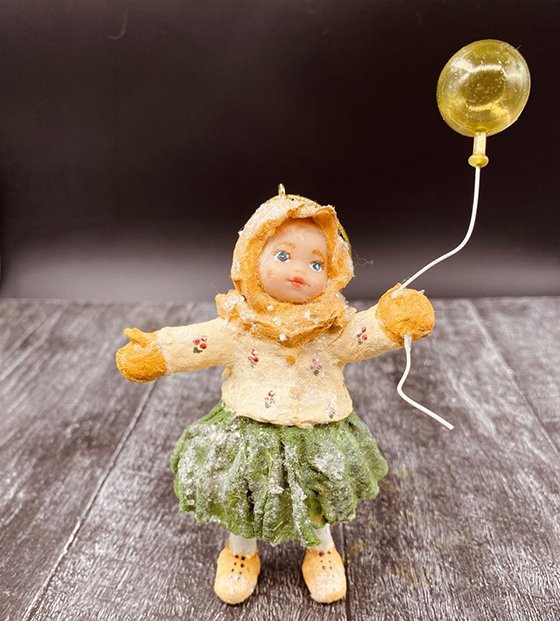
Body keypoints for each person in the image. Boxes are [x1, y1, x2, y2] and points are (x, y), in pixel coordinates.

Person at [116, 186, 434, 605]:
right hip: (250, 429)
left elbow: (362, 335)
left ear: (333, 272)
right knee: (244, 493)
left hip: (319, 430)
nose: (299, 271)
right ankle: (240, 552)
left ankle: (321, 549)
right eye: (283, 256)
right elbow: (198, 342)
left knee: (317, 491)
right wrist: (157, 352)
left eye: (316, 263)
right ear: (252, 258)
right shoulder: (240, 324)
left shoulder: (331, 326)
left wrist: (392, 321)